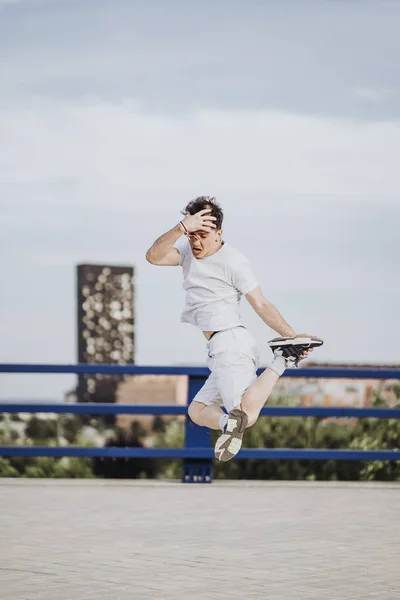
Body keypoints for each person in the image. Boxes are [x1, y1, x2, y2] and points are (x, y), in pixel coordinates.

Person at [146, 197, 323, 462]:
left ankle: (283, 359)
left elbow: (261, 304)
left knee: (245, 415)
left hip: (231, 343)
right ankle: (229, 423)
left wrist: (292, 336)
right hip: (218, 347)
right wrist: (180, 228)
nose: (196, 242)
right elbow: (153, 257)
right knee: (198, 410)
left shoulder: (234, 262)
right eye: (192, 234)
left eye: (203, 235)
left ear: (219, 233)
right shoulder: (185, 249)